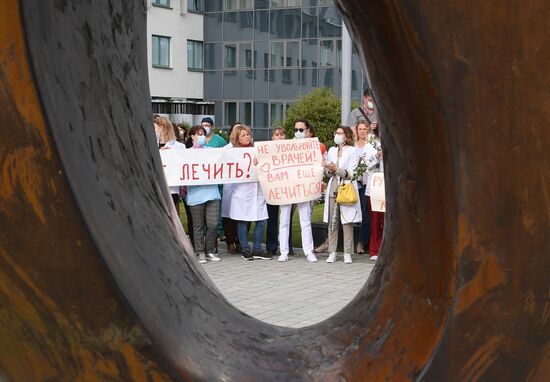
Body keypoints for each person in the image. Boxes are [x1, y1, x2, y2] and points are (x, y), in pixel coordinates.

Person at [225, 124, 269, 261]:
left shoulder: (256, 151)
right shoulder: (232, 153)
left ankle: (257, 249)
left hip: (258, 191)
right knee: (243, 221)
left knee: (262, 220)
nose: (247, 137)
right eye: (243, 135)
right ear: (237, 138)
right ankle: (245, 249)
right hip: (242, 191)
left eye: (248, 134)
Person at [277, 120, 318, 263]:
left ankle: (309, 251)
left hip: (303, 187)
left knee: (305, 220)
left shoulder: (312, 146)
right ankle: (283, 251)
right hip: (287, 187)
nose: (298, 132)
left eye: (301, 130)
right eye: (296, 130)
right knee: (284, 220)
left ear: (307, 130)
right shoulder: (287, 145)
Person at [323, 126, 362, 264]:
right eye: (336, 133)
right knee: (333, 221)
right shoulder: (332, 150)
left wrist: (336, 169)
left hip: (346, 187)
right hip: (333, 186)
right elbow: (327, 172)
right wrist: (328, 170)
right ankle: (332, 251)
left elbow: (351, 173)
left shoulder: (352, 151)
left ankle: (347, 252)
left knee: (347, 221)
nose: (337, 135)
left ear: (347, 136)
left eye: (340, 133)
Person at [185, 125, 222, 264]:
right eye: (198, 134)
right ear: (192, 136)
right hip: (196, 194)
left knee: (213, 224)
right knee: (198, 225)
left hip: (212, 193)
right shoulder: (185, 153)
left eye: (203, 134)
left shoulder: (211, 152)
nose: (201, 136)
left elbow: (227, 155)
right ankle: (200, 252)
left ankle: (210, 250)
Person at [265, 127, 293, 258]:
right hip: (272, 188)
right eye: (277, 135)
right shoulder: (266, 150)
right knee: (272, 217)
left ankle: (288, 246)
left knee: (287, 218)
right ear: (272, 137)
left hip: (287, 188)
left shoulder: (290, 150)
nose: (280, 137)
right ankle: (271, 246)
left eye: (282, 134)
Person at [201, 116, 227, 253]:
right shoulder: (199, 140)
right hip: (202, 181)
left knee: (216, 213)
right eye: (203, 125)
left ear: (212, 126)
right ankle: (205, 239)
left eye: (207, 125)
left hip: (217, 181)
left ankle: (216, 239)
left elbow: (226, 156)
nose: (205, 127)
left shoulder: (219, 140)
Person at [153, 115, 186, 212]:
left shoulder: (179, 147)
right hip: (155, 186)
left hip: (171, 188)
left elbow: (181, 165)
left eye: (155, 128)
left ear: (163, 127)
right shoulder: (151, 144)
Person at [354, 121, 377, 255]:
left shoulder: (372, 146)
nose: (362, 131)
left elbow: (374, 161)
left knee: (366, 214)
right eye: (360, 129)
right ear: (356, 131)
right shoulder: (353, 146)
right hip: (354, 182)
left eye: (364, 129)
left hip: (367, 183)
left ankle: (361, 242)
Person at [365, 121, 384, 261]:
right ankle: (374, 249)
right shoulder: (370, 145)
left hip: (389, 188)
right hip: (375, 187)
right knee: (376, 220)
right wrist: (377, 156)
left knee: (388, 220)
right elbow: (365, 165)